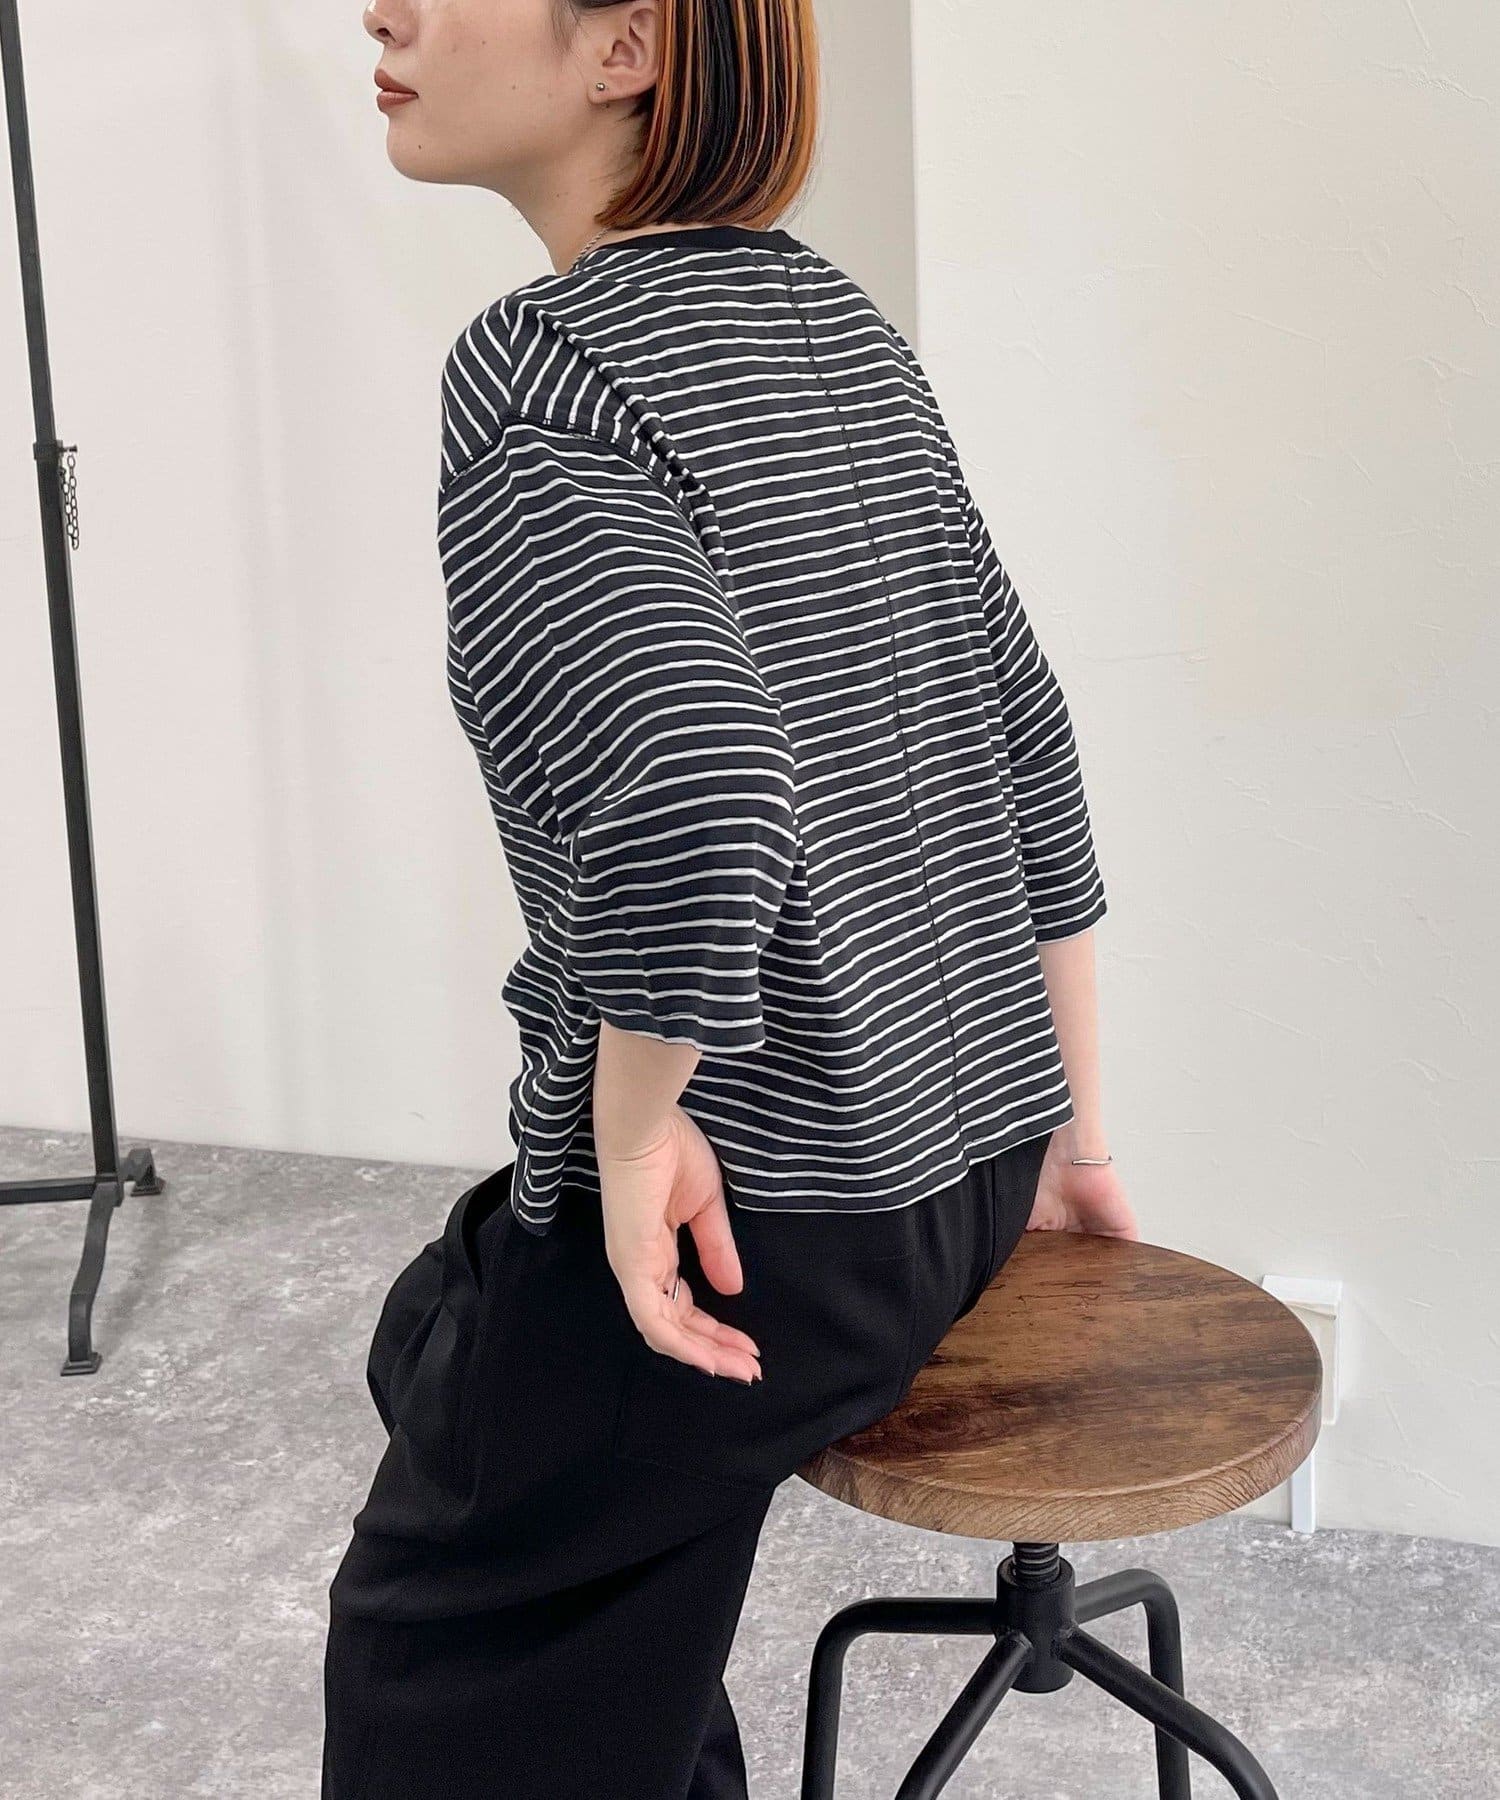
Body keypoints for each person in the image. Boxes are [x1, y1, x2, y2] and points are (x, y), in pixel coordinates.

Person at [327, 2, 1140, 1795]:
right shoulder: (833, 320)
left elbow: (704, 786)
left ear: (623, 50)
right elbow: (1028, 734)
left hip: (760, 1213)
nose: (382, 10)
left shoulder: (545, 366)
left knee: (434, 1656)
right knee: (442, 1355)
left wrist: (632, 1133)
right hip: (961, 1170)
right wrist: (1072, 1138)